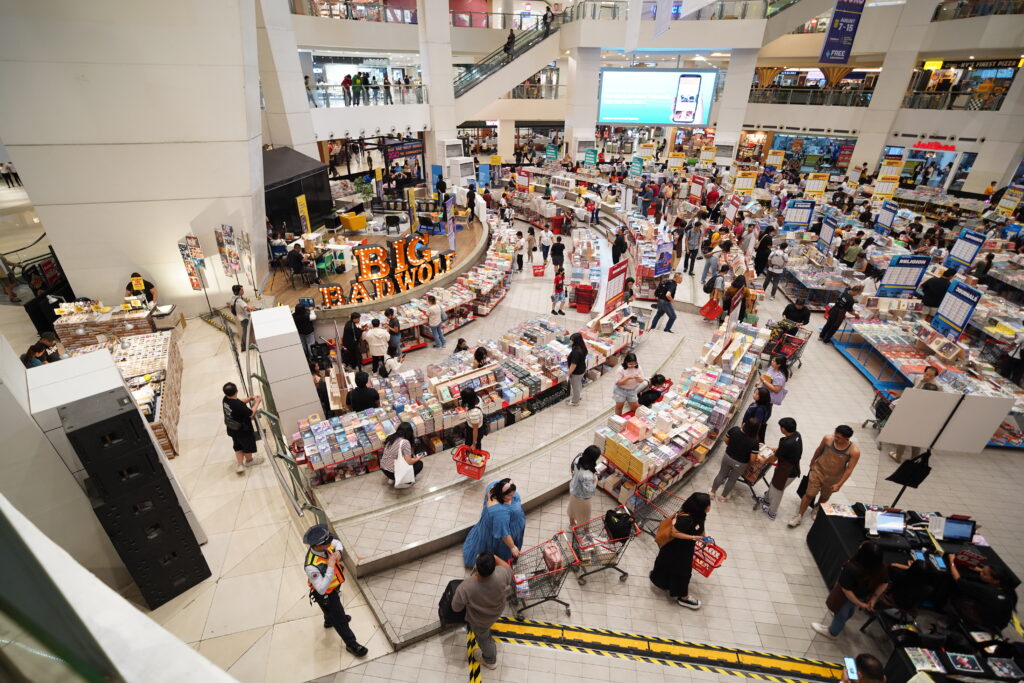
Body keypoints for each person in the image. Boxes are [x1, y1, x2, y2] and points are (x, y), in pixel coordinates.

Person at [301, 524, 369, 658]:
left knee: (331, 613)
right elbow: (321, 589)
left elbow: (337, 543)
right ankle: (351, 644)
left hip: (335, 585)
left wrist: (338, 552)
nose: (329, 543)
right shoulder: (311, 566)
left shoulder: (325, 545)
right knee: (340, 619)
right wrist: (331, 566)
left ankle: (328, 621)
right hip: (326, 594)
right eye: (326, 542)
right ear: (316, 546)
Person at [451, 552, 515, 671]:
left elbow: (456, 608)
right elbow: (509, 569)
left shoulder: (465, 587)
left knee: (483, 639)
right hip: (496, 611)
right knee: (486, 631)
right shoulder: (502, 573)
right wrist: (494, 557)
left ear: (476, 567)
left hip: (480, 621)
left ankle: (490, 660)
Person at [811, 542, 889, 639]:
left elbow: (846, 590)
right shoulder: (882, 568)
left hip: (847, 597)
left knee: (841, 614)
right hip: (862, 596)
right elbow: (885, 583)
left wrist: (862, 605)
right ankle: (840, 622)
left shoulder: (852, 569)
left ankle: (832, 632)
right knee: (849, 610)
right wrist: (873, 599)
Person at [788, 425, 861, 527]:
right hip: (818, 471)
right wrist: (813, 461)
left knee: (824, 496)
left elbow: (849, 470)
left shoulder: (854, 451)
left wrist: (839, 484)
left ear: (847, 438)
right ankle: (799, 516)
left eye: (839, 437)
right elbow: (819, 450)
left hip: (834, 478)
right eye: (835, 435)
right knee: (809, 494)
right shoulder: (828, 439)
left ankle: (817, 508)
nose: (835, 438)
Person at [649, 492, 712, 609]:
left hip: (682, 548)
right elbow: (674, 533)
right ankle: (684, 598)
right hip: (677, 548)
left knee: (666, 565)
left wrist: (703, 537)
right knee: (683, 573)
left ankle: (661, 582)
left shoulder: (699, 514)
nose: (710, 507)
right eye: (708, 504)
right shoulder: (686, 519)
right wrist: (693, 537)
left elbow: (701, 525)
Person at [462, 478, 525, 566]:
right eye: (510, 495)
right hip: (501, 535)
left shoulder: (494, 486)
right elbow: (504, 534)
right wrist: (512, 547)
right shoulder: (500, 513)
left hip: (490, 525)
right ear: (501, 494)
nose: (513, 496)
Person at [946, 554, 1017, 631]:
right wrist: (981, 570)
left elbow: (958, 579)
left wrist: (952, 561)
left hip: (984, 623)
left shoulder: (987, 591)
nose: (981, 573)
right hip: (1000, 624)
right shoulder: (1009, 589)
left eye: (984, 574)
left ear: (996, 580)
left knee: (957, 596)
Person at [757, 417, 802, 520]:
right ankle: (767, 500)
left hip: (787, 471)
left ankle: (772, 512)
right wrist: (777, 449)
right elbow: (787, 449)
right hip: (790, 467)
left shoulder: (787, 443)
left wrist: (763, 461)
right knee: (774, 484)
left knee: (777, 490)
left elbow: (774, 458)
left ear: (784, 429)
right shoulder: (797, 435)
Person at [710, 417, 761, 502]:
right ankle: (723, 497)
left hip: (727, 456)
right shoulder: (755, 442)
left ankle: (712, 493)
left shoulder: (735, 430)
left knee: (721, 474)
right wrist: (748, 464)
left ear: (746, 424)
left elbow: (725, 439)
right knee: (732, 479)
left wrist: (731, 446)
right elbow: (753, 459)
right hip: (741, 463)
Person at [222, 382, 263, 474]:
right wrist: (257, 402)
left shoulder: (225, 400)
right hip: (243, 430)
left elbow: (238, 401)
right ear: (237, 391)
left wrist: (249, 399)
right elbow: (251, 413)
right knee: (247, 446)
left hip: (232, 429)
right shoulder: (239, 406)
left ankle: (240, 464)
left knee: (237, 446)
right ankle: (249, 461)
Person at [568, 446, 599, 527]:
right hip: (583, 498)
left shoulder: (578, 459)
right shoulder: (587, 475)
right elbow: (589, 490)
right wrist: (595, 481)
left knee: (572, 510)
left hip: (573, 490)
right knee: (585, 516)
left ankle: (572, 524)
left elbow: (573, 469)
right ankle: (586, 531)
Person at [230, 284, 256, 351]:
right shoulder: (239, 300)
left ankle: (244, 346)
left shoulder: (233, 298)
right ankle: (244, 346)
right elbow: (247, 308)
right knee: (245, 333)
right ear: (238, 291)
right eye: (241, 290)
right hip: (244, 319)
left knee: (245, 332)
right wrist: (252, 307)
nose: (243, 291)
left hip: (240, 317)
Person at [566, 332, 588, 406]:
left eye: (572, 340)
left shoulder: (576, 351)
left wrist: (568, 373)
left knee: (575, 386)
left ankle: (575, 401)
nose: (570, 341)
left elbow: (573, 365)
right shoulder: (582, 347)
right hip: (582, 369)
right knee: (578, 383)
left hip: (577, 372)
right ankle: (578, 397)